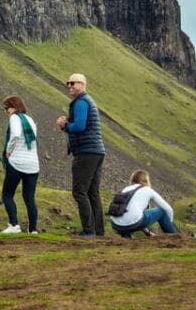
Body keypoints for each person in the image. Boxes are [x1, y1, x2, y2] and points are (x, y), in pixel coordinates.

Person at [56, 73, 106, 237]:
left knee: (80, 191)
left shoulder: (81, 102)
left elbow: (79, 126)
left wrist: (65, 125)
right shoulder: (88, 101)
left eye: (73, 83)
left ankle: (88, 230)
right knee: (92, 192)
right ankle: (98, 231)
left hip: (86, 151)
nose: (69, 86)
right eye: (68, 83)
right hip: (96, 150)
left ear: (83, 84)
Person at [0, 95, 40, 235]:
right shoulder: (30, 120)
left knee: (7, 194)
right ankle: (33, 229)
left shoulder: (15, 118)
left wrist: (8, 152)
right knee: (29, 197)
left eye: (6, 108)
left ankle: (14, 224)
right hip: (33, 164)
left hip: (17, 162)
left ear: (12, 107)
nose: (6, 111)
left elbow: (16, 135)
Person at [110, 170, 179, 238]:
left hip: (116, 225)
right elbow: (168, 209)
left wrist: (147, 233)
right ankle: (174, 237)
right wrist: (170, 223)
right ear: (146, 180)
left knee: (133, 214)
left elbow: (135, 215)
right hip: (132, 224)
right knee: (162, 211)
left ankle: (126, 235)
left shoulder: (126, 189)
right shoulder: (147, 190)